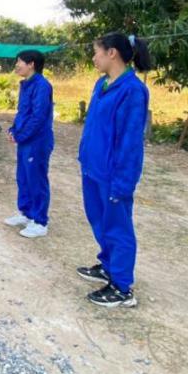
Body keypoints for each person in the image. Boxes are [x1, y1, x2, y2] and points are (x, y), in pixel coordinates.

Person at [77, 33, 152, 308]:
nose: (93, 58)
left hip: (113, 174)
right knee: (99, 221)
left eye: (97, 52)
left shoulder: (132, 90)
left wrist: (123, 182)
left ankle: (121, 288)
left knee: (118, 228)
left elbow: (130, 142)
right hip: (93, 168)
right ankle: (108, 265)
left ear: (112, 53)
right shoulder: (102, 83)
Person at [5, 50, 54, 238]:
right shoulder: (26, 84)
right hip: (26, 140)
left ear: (31, 64)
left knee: (36, 180)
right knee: (23, 177)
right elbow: (23, 113)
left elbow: (38, 117)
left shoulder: (42, 86)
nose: (17, 65)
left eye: (20, 62)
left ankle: (40, 222)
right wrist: (13, 130)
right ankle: (26, 213)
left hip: (37, 141)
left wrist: (21, 135)